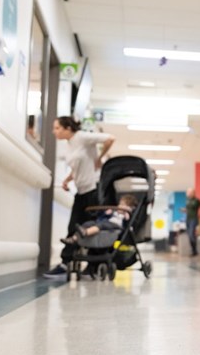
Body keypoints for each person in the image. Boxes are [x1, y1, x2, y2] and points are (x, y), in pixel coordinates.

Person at [43, 116, 115, 278]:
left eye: (57, 128)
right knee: (73, 228)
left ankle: (93, 264)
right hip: (81, 191)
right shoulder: (69, 144)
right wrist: (68, 179)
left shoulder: (82, 137)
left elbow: (111, 138)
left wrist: (99, 158)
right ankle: (65, 263)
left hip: (93, 191)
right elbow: (77, 167)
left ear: (68, 128)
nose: (54, 131)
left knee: (93, 228)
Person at [64, 194, 138, 244]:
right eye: (120, 204)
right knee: (88, 223)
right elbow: (101, 218)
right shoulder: (113, 212)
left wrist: (127, 217)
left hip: (115, 227)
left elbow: (128, 226)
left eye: (123, 205)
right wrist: (106, 214)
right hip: (105, 223)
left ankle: (86, 232)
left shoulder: (127, 216)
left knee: (102, 225)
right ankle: (73, 238)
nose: (120, 206)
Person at [183, 188, 200, 257]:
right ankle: (193, 251)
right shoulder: (187, 200)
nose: (188, 193)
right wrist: (184, 210)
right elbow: (187, 210)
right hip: (188, 219)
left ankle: (194, 251)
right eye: (187, 192)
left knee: (192, 235)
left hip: (194, 219)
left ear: (193, 193)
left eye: (189, 192)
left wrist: (199, 216)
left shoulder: (197, 200)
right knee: (189, 235)